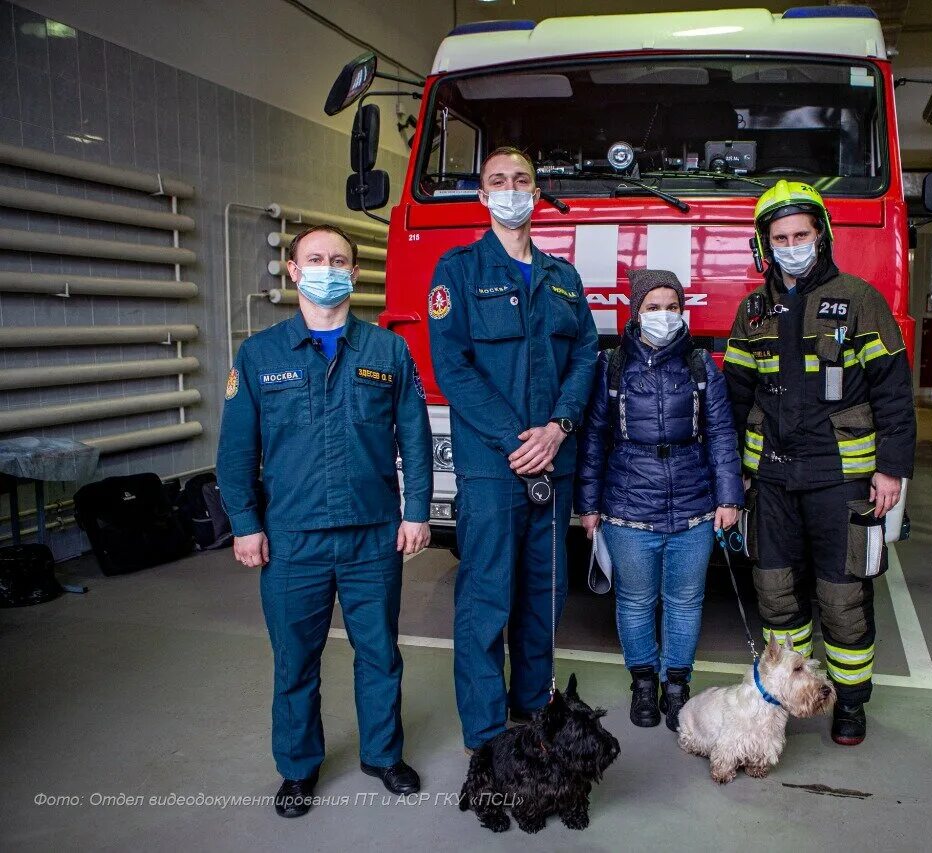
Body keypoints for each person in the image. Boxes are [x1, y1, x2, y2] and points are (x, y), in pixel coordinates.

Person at [217, 224, 432, 818]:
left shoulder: (388, 351)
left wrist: (416, 511)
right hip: (292, 539)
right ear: (292, 270)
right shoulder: (259, 355)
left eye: (338, 259)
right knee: (294, 660)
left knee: (380, 653)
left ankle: (383, 755)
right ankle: (298, 768)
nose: (327, 267)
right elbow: (236, 450)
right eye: (314, 258)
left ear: (355, 273)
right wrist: (244, 523)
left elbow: (414, 437)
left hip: (372, 536)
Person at [723, 180, 915, 747]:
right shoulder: (752, 311)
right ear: (764, 245)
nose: (791, 245)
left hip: (841, 479)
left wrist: (890, 469)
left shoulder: (860, 300)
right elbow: (734, 399)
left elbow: (893, 394)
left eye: (801, 234)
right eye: (779, 237)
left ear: (821, 235)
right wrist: (732, 472)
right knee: (778, 595)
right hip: (774, 480)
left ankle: (850, 705)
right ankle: (792, 694)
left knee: (843, 597)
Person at [428, 147, 598, 752]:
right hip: (493, 469)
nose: (510, 189)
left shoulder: (563, 278)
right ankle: (487, 731)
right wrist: (515, 439)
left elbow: (584, 357)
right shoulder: (458, 272)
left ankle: (533, 707)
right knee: (485, 597)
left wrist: (558, 427)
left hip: (552, 461)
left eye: (521, 180)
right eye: (497, 181)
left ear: (537, 191)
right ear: (482, 195)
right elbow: (452, 366)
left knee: (544, 595)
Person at [576, 269, 744, 732]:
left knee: (685, 602)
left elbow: (721, 435)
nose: (664, 316)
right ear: (635, 312)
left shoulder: (700, 365)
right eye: (653, 307)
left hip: (694, 507)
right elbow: (593, 439)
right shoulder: (611, 366)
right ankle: (644, 685)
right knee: (634, 601)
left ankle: (677, 688)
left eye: (673, 306)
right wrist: (588, 506)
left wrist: (729, 497)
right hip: (627, 509)